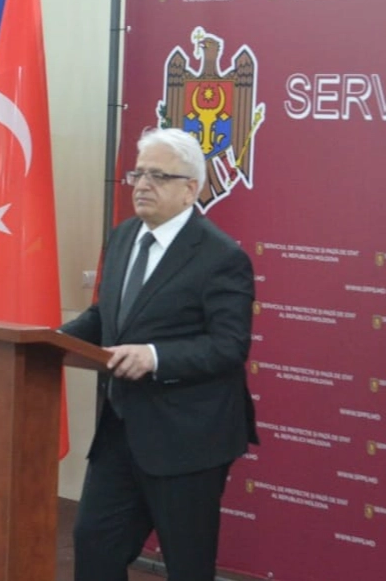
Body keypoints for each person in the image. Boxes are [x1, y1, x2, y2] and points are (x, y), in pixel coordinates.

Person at [62, 126, 258, 581]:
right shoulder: (123, 237)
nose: (142, 185)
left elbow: (229, 345)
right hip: (120, 429)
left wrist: (155, 356)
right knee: (94, 545)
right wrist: (51, 339)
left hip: (188, 437)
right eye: (138, 174)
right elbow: (105, 315)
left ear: (190, 189)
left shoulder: (220, 256)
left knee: (187, 564)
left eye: (158, 176)